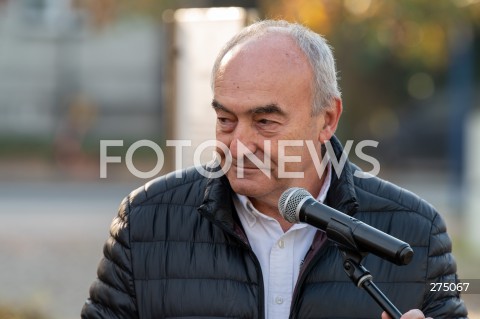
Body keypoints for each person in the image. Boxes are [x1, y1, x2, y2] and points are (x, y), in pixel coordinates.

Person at [81, 20, 468, 319]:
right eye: (226, 119)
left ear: (327, 119)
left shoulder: (416, 232)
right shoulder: (146, 221)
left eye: (265, 121)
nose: (239, 144)